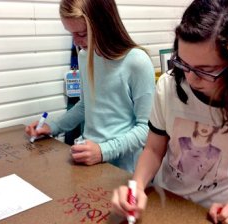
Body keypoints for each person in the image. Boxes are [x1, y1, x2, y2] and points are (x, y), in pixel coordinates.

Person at [111, 0, 228, 223]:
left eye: (205, 71)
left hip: (215, 215)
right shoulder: (170, 87)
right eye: (183, 63)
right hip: (164, 203)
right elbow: (153, 149)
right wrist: (136, 185)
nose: (190, 78)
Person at [25, 0, 155, 173]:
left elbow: (146, 128)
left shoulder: (137, 61)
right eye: (71, 34)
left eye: (82, 33)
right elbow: (86, 105)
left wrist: (103, 151)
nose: (76, 42)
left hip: (123, 169)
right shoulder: (85, 56)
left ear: (105, 24)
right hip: (88, 160)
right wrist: (52, 127)